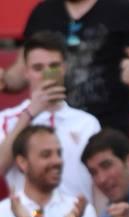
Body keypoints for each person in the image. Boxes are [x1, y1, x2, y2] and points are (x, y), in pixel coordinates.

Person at [1, 0, 129, 134]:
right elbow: (20, 72)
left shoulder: (121, 9)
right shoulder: (42, 13)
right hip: (51, 126)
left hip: (108, 127)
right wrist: (4, 80)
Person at [0, 32, 100, 203]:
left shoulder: (87, 123)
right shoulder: (6, 120)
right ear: (26, 72)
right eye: (38, 68)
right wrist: (30, 114)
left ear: (64, 68)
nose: (46, 75)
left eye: (53, 66)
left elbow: (98, 182)